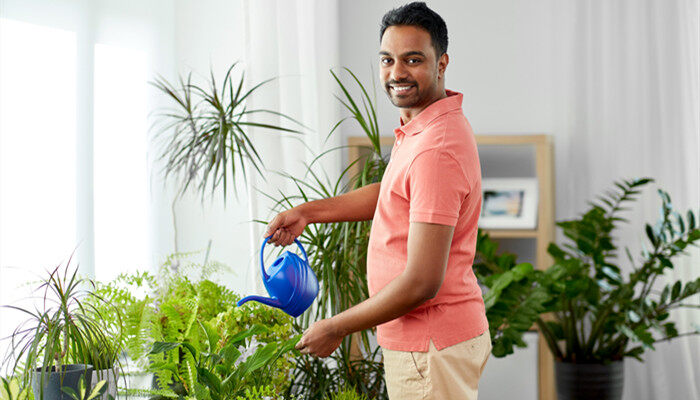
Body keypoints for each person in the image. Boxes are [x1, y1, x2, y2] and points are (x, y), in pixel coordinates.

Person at [264, 2, 491, 399]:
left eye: (413, 59)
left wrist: (336, 327)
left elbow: (422, 281)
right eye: (387, 60)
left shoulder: (434, 149)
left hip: (429, 346)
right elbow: (393, 192)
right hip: (429, 343)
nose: (396, 73)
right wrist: (307, 213)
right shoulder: (425, 124)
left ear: (442, 64)